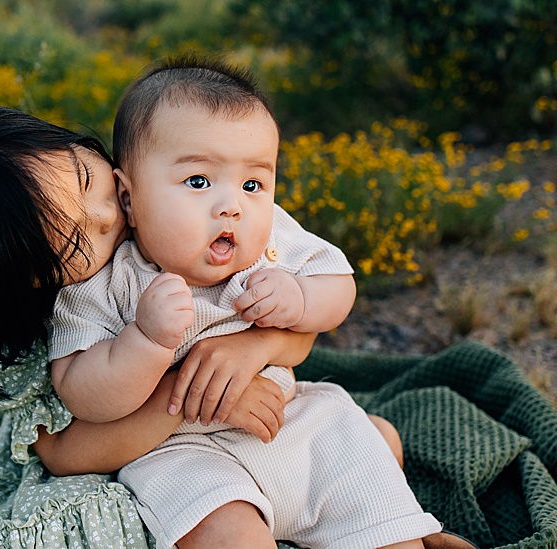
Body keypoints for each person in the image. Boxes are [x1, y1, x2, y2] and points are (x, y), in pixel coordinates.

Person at [0, 104, 477, 549]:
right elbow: (72, 448)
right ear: (21, 279)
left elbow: (305, 319)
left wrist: (253, 344)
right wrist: (172, 368)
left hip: (257, 418)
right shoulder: (70, 306)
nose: (108, 215)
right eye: (74, 240)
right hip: (146, 453)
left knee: (367, 444)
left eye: (88, 180)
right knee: (218, 527)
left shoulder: (180, 204)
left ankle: (400, 529)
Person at [48, 56, 445, 548]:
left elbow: (339, 284)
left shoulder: (271, 240)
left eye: (253, 184)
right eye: (198, 181)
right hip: (179, 450)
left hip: (283, 418)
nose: (232, 205)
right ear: (129, 198)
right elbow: (79, 391)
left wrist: (301, 296)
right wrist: (145, 341)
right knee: (222, 529)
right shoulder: (109, 279)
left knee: (354, 466)